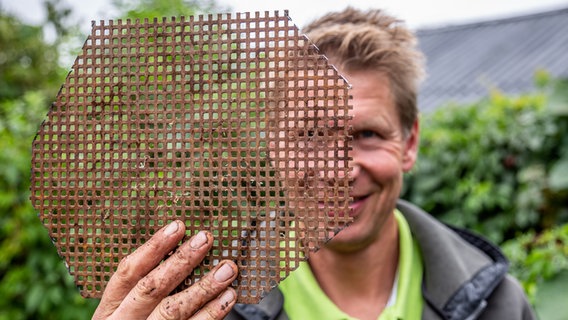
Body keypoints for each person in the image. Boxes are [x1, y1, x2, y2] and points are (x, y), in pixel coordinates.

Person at [92, 7, 536, 320]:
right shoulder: (204, 307)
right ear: (273, 147)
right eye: (309, 136)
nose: (340, 171)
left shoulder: (498, 306)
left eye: (366, 134)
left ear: (410, 141)